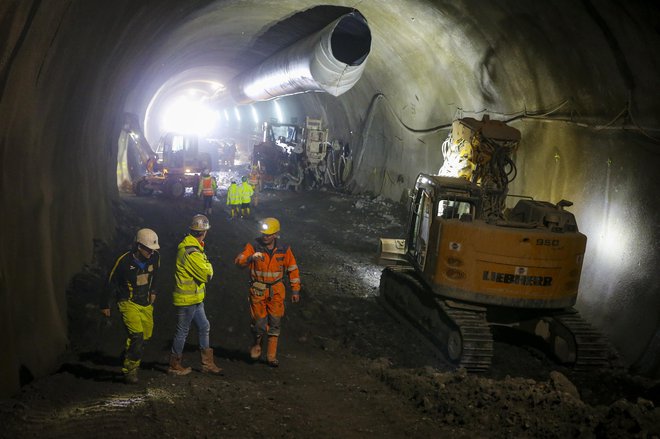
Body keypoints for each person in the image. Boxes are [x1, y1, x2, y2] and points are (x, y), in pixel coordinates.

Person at [234, 217, 301, 367]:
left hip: (277, 291)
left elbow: (292, 268)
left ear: (276, 234)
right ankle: (257, 343)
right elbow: (239, 262)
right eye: (264, 234)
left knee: (275, 323)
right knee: (259, 323)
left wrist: (295, 290)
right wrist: (251, 257)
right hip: (258, 290)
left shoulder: (284, 249)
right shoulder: (253, 246)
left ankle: (271, 356)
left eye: (269, 234)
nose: (265, 237)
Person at [100, 228, 161, 384]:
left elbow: (157, 275)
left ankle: (130, 354)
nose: (151, 252)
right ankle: (130, 371)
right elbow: (110, 281)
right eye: (148, 249)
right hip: (128, 301)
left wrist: (153, 291)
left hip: (146, 303)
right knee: (137, 336)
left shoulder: (155, 258)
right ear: (139, 246)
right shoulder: (124, 261)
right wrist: (105, 304)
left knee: (145, 336)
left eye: (153, 249)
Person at [168, 214, 222, 375]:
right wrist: (209, 266)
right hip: (187, 299)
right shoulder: (192, 252)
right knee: (182, 331)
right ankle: (174, 365)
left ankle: (207, 364)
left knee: (204, 326)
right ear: (204, 232)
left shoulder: (194, 248)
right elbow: (207, 275)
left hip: (195, 298)